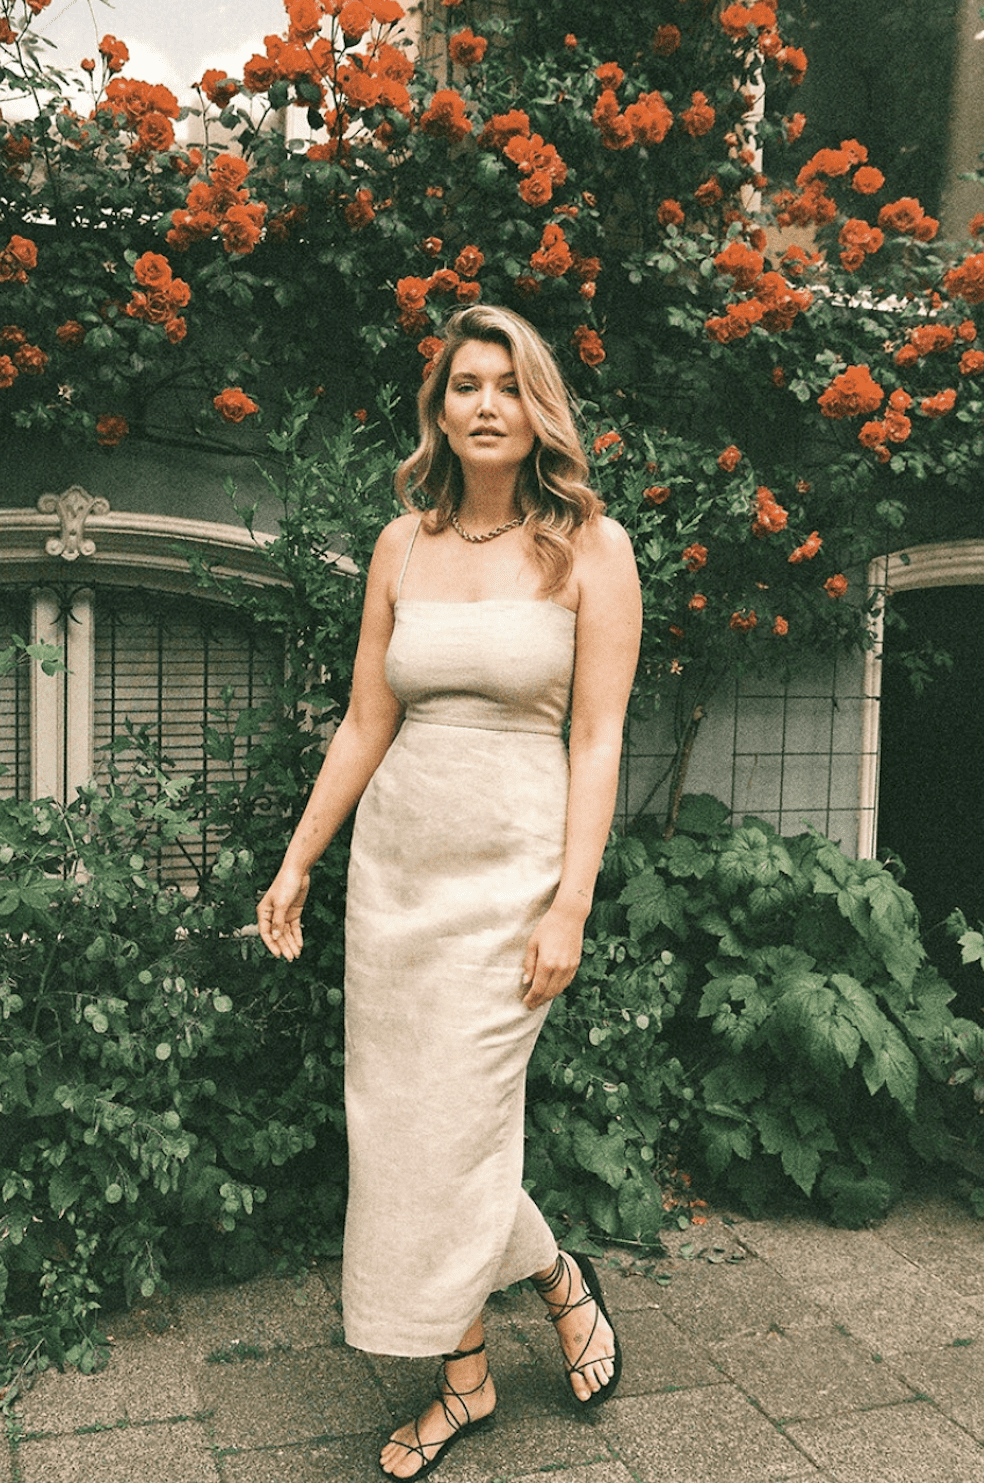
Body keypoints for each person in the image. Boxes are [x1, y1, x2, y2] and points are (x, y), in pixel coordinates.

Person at [257, 303, 642, 1481]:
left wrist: (570, 899)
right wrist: (301, 857)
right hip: (399, 875)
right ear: (439, 409)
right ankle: (467, 1371)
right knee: (407, 1131)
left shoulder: (593, 549)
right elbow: (370, 716)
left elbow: (597, 738)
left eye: (508, 386)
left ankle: (548, 1287)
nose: (486, 404)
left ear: (538, 413)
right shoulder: (399, 545)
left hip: (514, 876)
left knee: (457, 1125)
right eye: (465, 384)